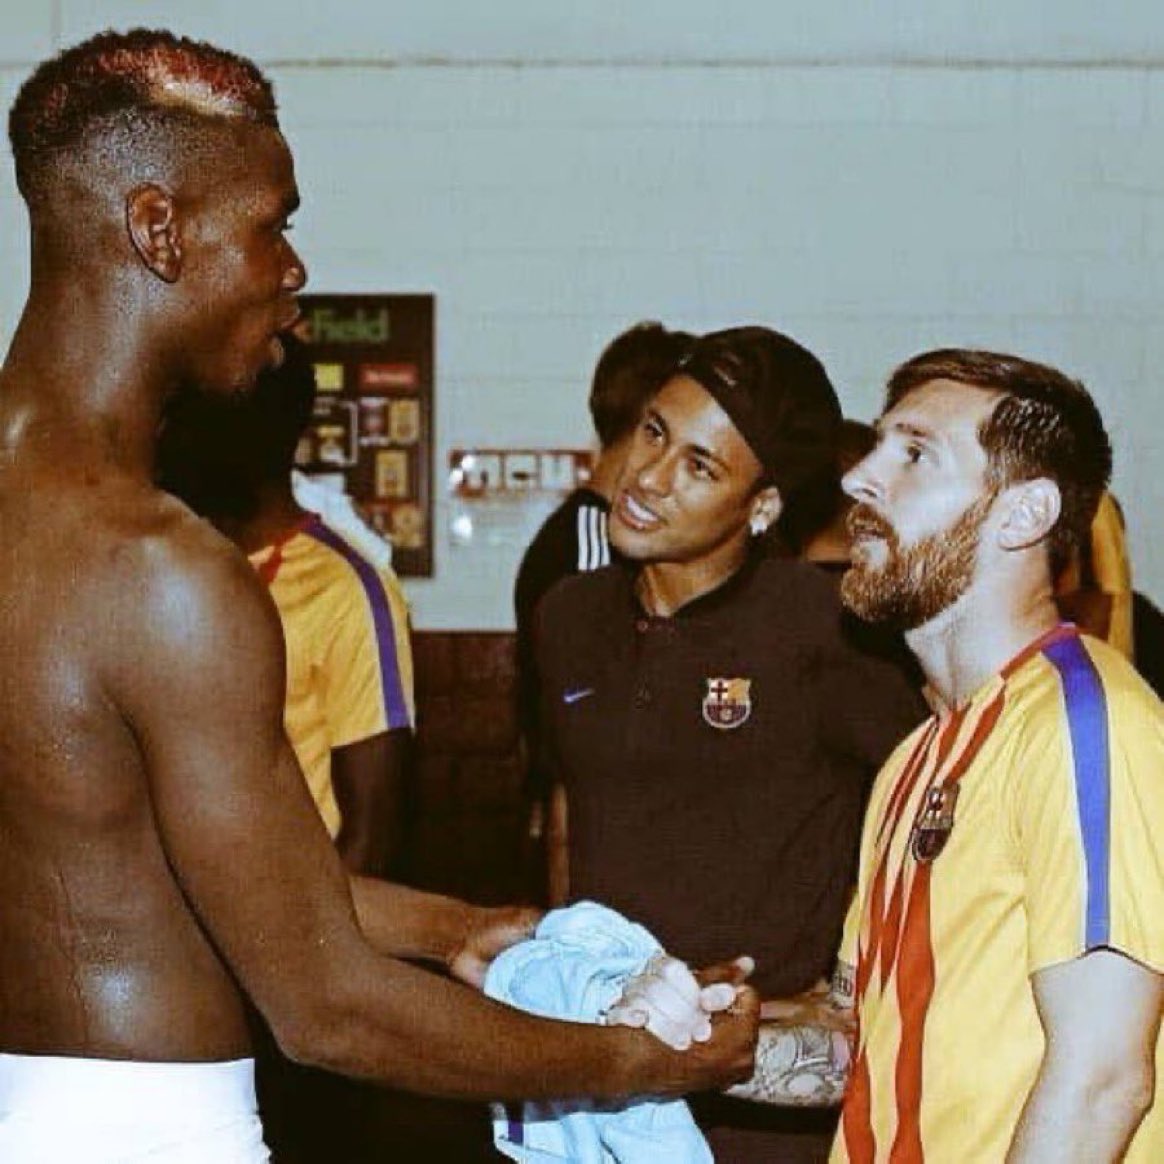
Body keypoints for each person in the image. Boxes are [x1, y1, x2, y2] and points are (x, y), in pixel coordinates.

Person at [0, 28, 757, 1161]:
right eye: (275, 224)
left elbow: (179, 864)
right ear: (158, 229)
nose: (293, 269)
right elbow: (326, 1006)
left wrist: (466, 929)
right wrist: (644, 1064)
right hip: (151, 1128)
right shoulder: (158, 569)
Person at [702, 349, 1163, 1161]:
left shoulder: (1086, 724)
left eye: (915, 454)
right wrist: (662, 1045)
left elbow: (1102, 1081)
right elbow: (856, 1038)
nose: (859, 481)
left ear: (1023, 516)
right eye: (878, 447)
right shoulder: (914, 758)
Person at [535, 326, 926, 1161]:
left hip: (765, 1105)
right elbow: (571, 809)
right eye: (653, 432)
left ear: (764, 507)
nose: (648, 478)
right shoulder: (567, 616)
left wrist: (857, 985)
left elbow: (935, 811)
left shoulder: (826, 628)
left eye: (701, 467)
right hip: (598, 1080)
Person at [158, 330, 413, 879]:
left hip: (289, 932)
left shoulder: (349, 590)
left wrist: (299, 957)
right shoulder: (169, 570)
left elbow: (372, 836)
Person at [513, 319, 691, 898]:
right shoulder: (594, 545)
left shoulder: (590, 536)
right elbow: (596, 738)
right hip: (597, 847)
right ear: (651, 421)